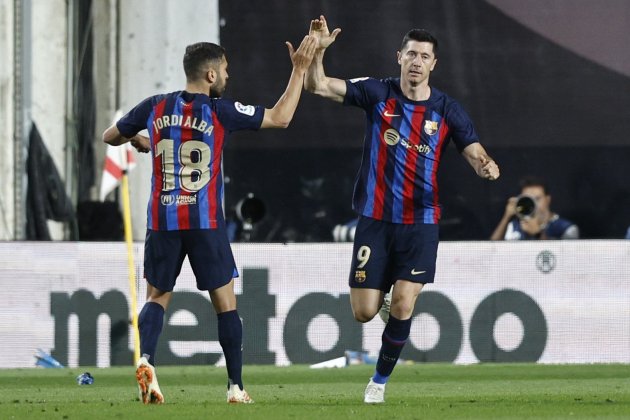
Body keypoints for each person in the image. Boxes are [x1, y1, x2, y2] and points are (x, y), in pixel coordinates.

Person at [102, 36, 317, 404]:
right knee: (225, 304)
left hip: (162, 221)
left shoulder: (154, 106)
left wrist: (142, 139)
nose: (229, 76)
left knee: (157, 297)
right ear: (211, 74)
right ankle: (235, 387)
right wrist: (298, 69)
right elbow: (280, 117)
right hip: (204, 223)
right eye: (226, 71)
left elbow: (110, 136)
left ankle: (147, 360)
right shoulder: (220, 111)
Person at [304, 16, 500, 404]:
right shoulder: (378, 93)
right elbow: (318, 85)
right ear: (399, 57)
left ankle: (377, 383)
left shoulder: (448, 110)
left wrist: (485, 165)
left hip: (420, 223)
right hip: (375, 221)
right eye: (411, 53)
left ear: (433, 65)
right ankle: (386, 305)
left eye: (424, 56)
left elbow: (475, 151)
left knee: (406, 302)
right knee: (362, 312)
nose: (416, 61)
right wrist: (319, 53)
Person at [490, 176, 579, 240]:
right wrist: (507, 216)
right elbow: (492, 251)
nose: (533, 203)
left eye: (537, 198)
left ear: (547, 199)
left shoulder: (566, 228)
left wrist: (537, 234)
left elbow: (564, 259)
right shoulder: (514, 226)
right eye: (528, 199)